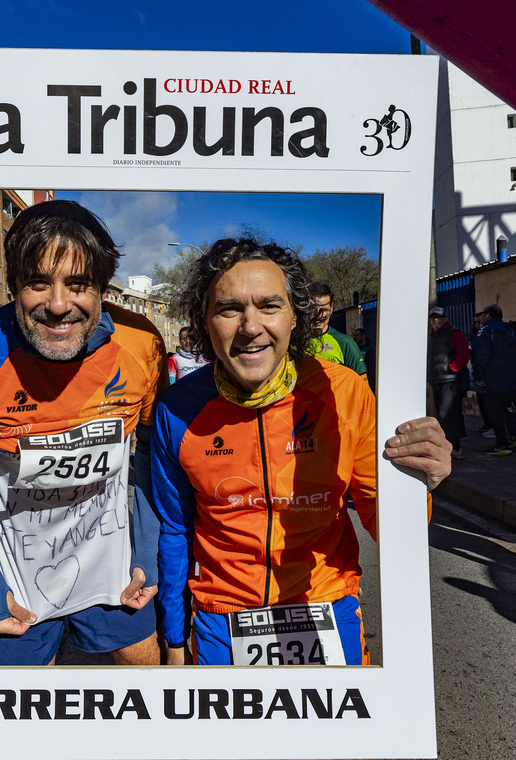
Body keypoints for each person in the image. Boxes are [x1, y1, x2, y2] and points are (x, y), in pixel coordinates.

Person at [152, 238, 450, 666]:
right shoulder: (177, 407)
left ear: (296, 317)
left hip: (325, 604)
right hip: (221, 616)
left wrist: (421, 479)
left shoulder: (344, 392)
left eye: (270, 306)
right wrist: (175, 637)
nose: (250, 327)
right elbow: (174, 529)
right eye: (229, 309)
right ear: (205, 321)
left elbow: (391, 524)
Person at [0, 200, 165, 666]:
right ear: (13, 286)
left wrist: (147, 554)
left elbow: (151, 450)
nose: (57, 305)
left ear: (101, 289)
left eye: (78, 284)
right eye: (37, 283)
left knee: (145, 678)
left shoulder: (142, 342)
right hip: (15, 581)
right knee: (25, 719)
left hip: (113, 571)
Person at [471, 304, 516, 456]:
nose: (480, 317)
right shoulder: (512, 330)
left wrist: (479, 376)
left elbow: (481, 356)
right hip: (512, 376)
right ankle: (514, 436)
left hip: (494, 377)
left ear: (488, 315)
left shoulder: (486, 331)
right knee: (508, 406)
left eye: (482, 314)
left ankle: (502, 443)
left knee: (494, 410)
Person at [427, 306, 470, 459]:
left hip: (449, 380)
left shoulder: (454, 333)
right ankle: (448, 445)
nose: (435, 320)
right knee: (442, 414)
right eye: (433, 317)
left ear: (445, 318)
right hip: (437, 380)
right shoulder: (432, 337)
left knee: (447, 415)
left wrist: (453, 368)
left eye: (438, 317)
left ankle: (454, 447)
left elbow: (464, 354)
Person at [304, 281, 367, 380]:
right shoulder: (293, 341)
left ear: (331, 308)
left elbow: (362, 386)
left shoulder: (346, 343)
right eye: (312, 309)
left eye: (323, 310)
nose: (318, 315)